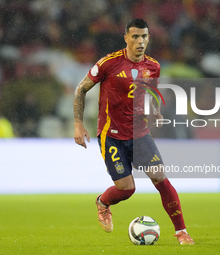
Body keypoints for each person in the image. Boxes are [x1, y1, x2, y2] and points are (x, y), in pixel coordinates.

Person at [73, 19, 194, 245]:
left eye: (144, 36)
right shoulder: (109, 64)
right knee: (127, 189)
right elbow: (81, 89)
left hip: (140, 134)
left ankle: (181, 232)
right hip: (112, 135)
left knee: (161, 179)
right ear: (126, 38)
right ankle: (102, 203)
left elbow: (151, 90)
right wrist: (78, 124)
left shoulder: (153, 66)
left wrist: (156, 111)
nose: (140, 41)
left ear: (149, 38)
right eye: (135, 36)